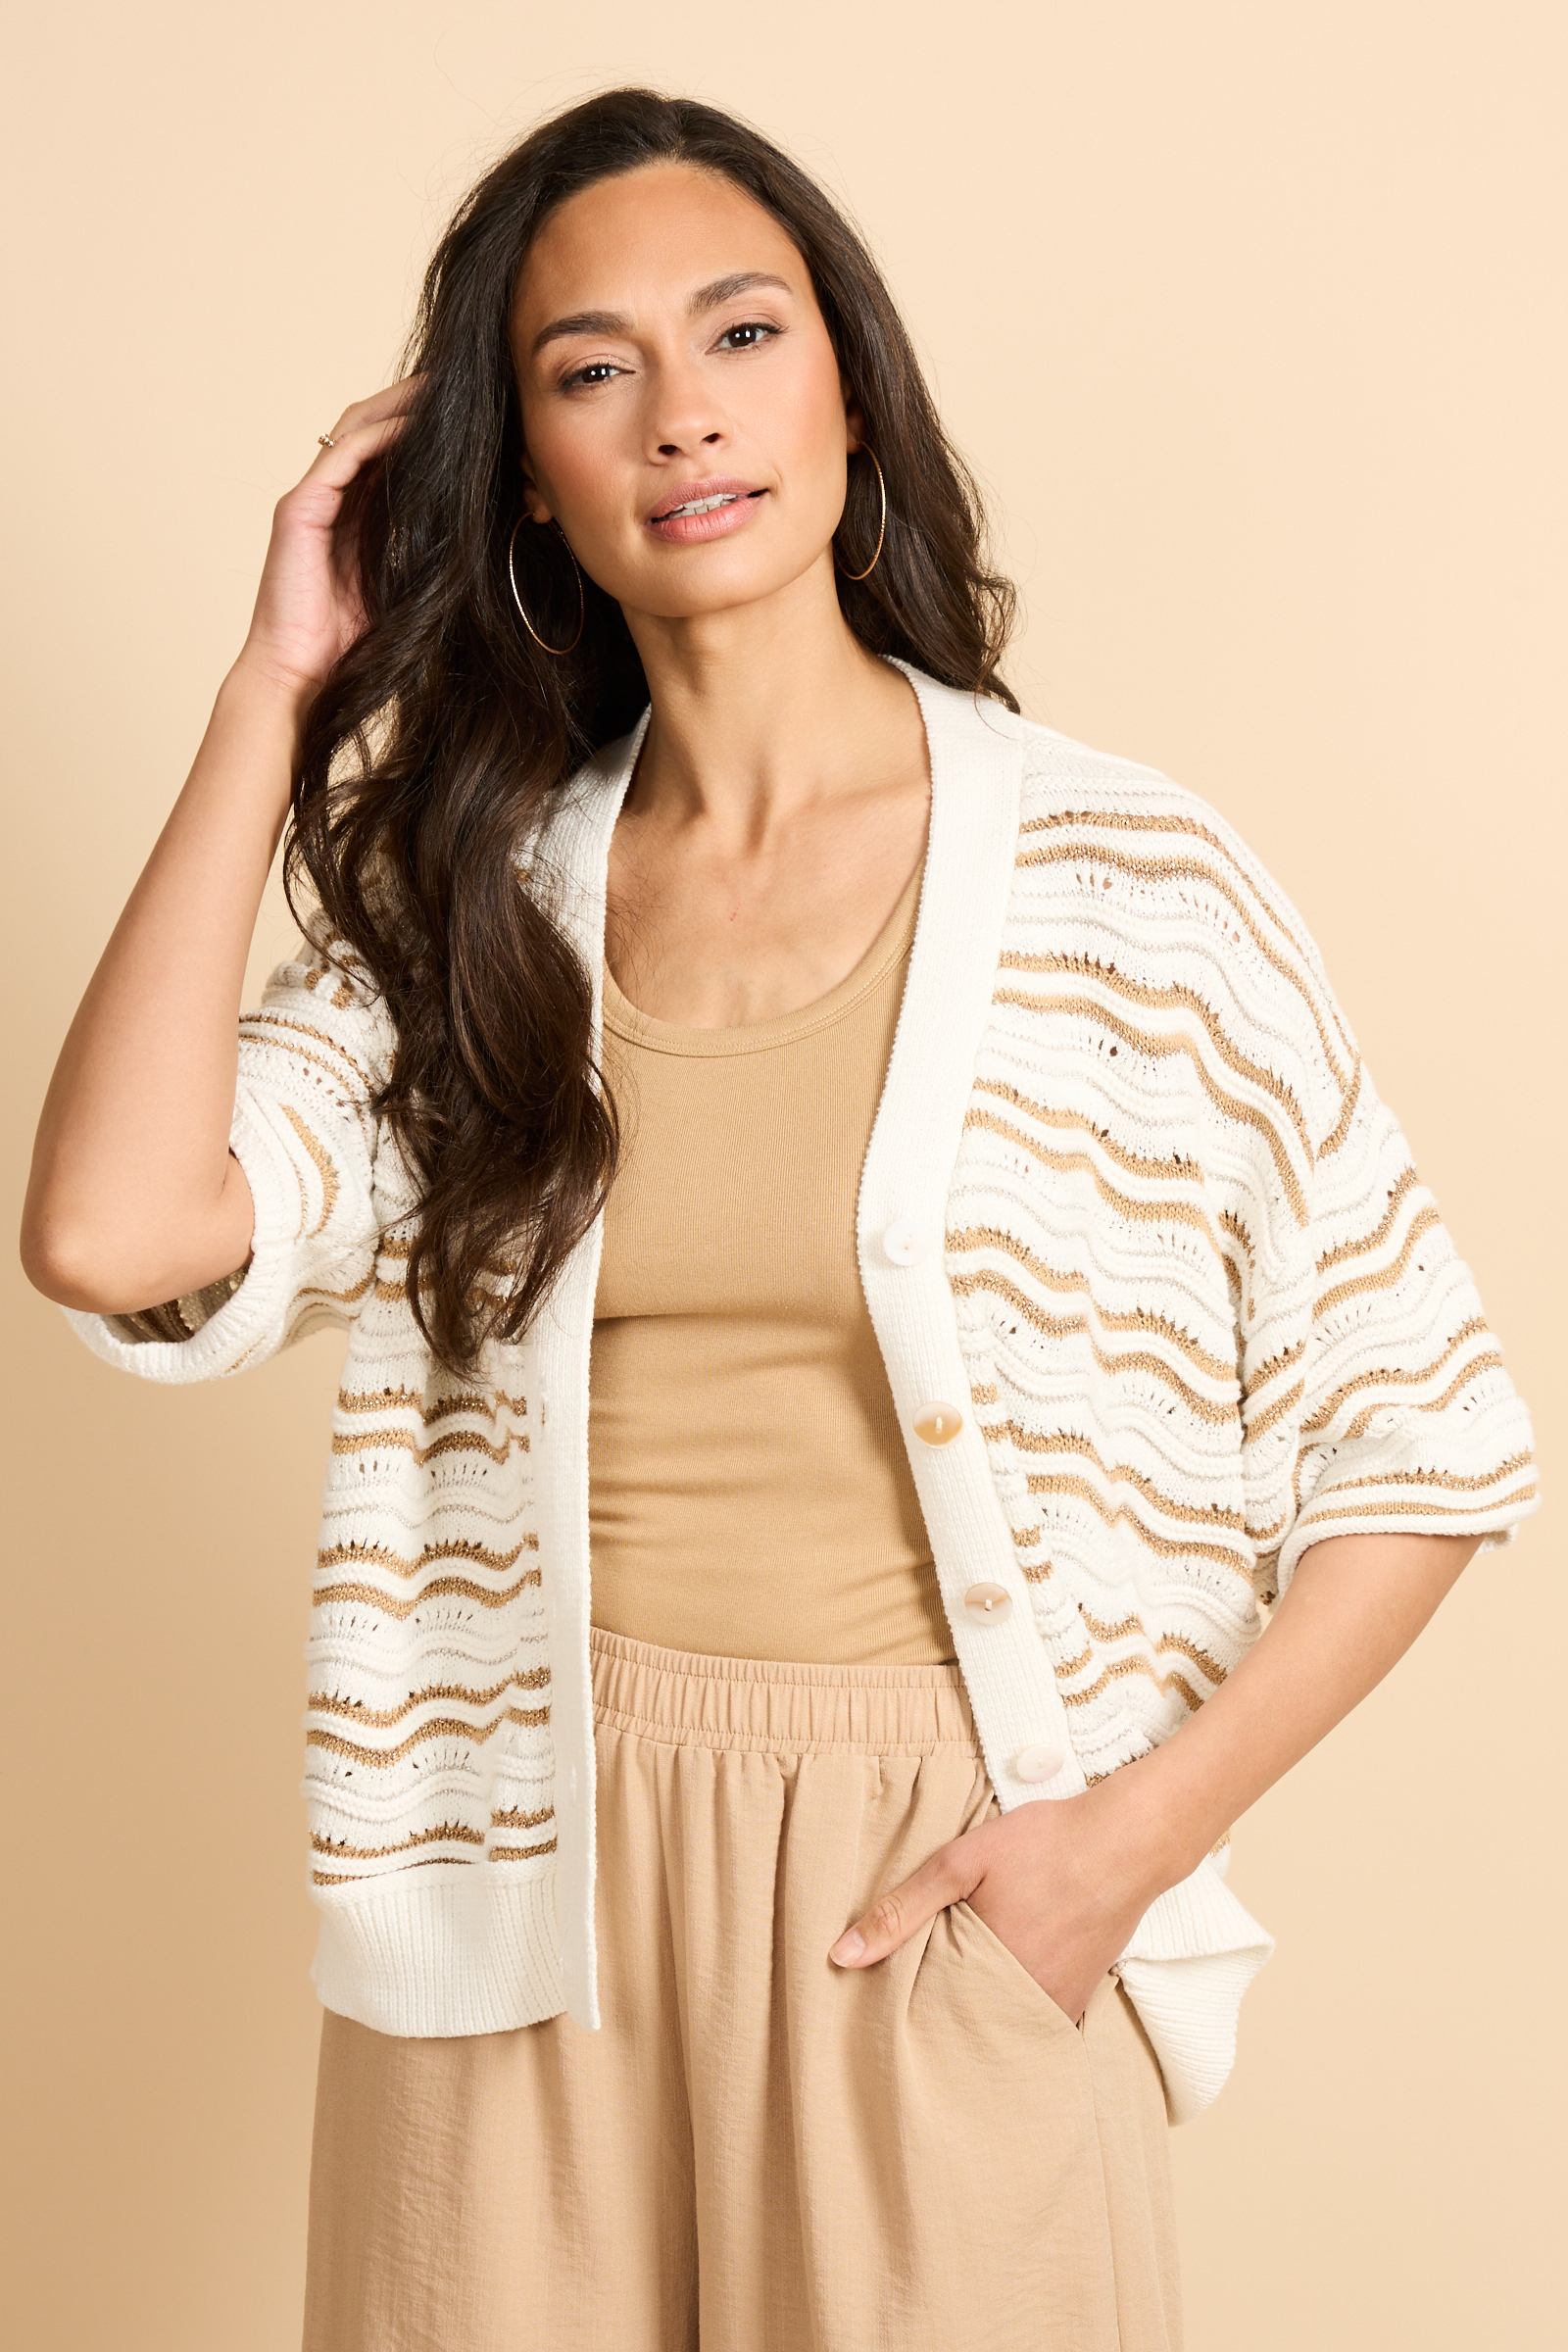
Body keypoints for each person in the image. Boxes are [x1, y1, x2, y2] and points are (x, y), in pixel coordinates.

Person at [20, 85, 1536, 2352]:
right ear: (522, 478)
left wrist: (1113, 1853)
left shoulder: (1130, 890)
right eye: (590, 368)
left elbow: (1422, 1439)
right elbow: (113, 1232)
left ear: (846, 384)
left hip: (943, 1879)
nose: (681, 415)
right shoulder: (474, 916)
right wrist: (277, 683)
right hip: (517, 1876)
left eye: (739, 333)